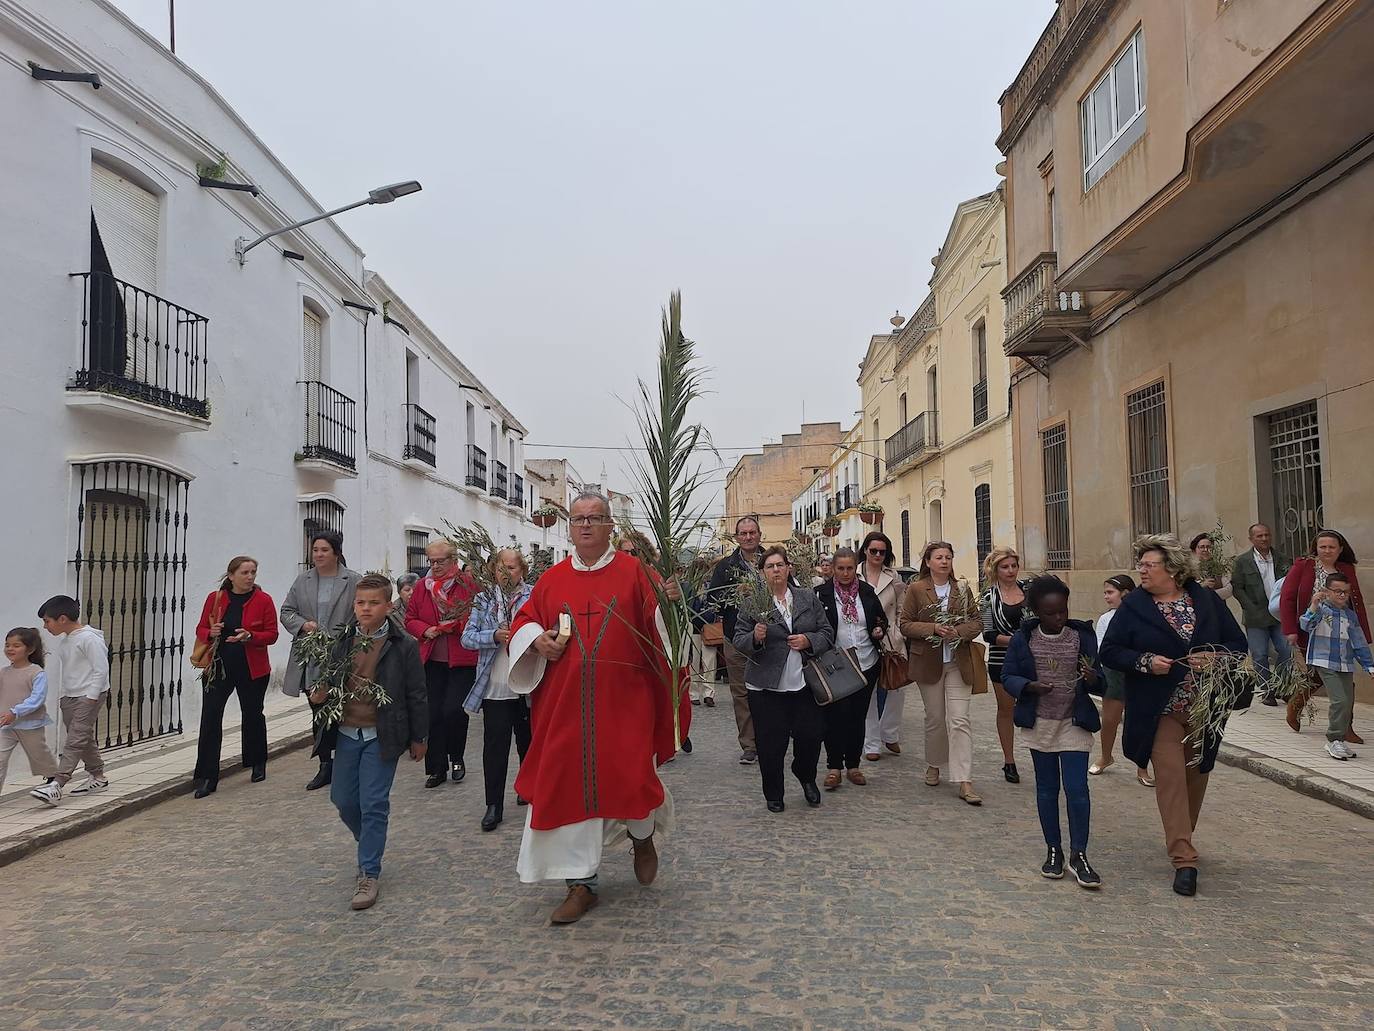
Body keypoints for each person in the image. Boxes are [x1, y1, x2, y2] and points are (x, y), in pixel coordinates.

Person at [507, 492, 681, 926]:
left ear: (609, 527)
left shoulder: (636, 573)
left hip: (626, 704)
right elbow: (524, 619)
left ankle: (642, 838)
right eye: (578, 519)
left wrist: (673, 603)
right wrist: (536, 640)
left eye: (595, 519)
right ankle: (580, 884)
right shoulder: (551, 580)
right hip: (565, 709)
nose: (585, 526)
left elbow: (664, 631)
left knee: (631, 778)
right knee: (570, 787)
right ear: (569, 527)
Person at [1100, 534, 1247, 897]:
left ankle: (1183, 833)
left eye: (1150, 565)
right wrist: (1145, 662)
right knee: (1170, 777)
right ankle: (1184, 859)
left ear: (1174, 570)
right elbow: (1110, 651)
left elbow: (1237, 643)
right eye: (1142, 565)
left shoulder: (1207, 600)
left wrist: (1216, 656)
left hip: (1204, 706)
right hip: (1159, 709)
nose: (1142, 571)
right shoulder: (1134, 605)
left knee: (1196, 774)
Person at [311, 573, 427, 911]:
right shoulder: (342, 642)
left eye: (373, 603)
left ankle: (369, 872)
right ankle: (369, 843)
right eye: (360, 603)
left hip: (382, 734)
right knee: (344, 799)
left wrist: (419, 736)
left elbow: (417, 694)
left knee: (373, 803)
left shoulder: (403, 645)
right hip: (347, 733)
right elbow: (329, 679)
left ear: (388, 606)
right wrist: (320, 693)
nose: (365, 608)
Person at [1000, 576, 1103, 889]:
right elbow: (1008, 676)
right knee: (1047, 789)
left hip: (1074, 721)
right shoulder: (1024, 639)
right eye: (1051, 613)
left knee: (1077, 789)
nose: (1059, 617)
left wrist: (1091, 678)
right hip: (1040, 722)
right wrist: (1028, 687)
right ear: (1037, 613)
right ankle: (1054, 849)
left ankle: (1079, 854)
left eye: (1063, 611)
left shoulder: (1081, 637)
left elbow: (1101, 682)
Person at [734, 545, 834, 812]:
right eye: (770, 566)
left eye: (780, 565)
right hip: (766, 686)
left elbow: (826, 632)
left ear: (788, 568)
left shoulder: (806, 597)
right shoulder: (754, 602)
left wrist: (808, 640)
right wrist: (755, 637)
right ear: (762, 573)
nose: (776, 570)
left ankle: (805, 775)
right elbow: (738, 640)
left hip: (803, 683)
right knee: (770, 744)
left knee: (811, 736)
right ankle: (774, 793)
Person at [899, 542, 985, 805]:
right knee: (935, 718)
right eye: (939, 557)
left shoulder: (962, 589)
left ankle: (964, 780)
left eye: (948, 557)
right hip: (928, 663)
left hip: (959, 662)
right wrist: (933, 629)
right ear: (928, 562)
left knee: (960, 720)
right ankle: (935, 763)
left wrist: (958, 632)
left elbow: (977, 621)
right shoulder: (916, 589)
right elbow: (905, 625)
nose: (944, 562)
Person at [190, 556, 280, 798]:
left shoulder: (263, 600)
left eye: (253, 572)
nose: (250, 577)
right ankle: (208, 776)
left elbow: (272, 634)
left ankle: (257, 762)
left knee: (252, 715)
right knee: (210, 718)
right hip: (218, 667)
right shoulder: (216, 598)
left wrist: (250, 636)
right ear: (231, 576)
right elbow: (200, 629)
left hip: (252, 668)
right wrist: (211, 632)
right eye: (245, 572)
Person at [280, 530, 362, 791]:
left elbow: (363, 613)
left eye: (324, 550)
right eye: (315, 550)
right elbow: (286, 611)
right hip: (312, 657)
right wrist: (304, 625)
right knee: (319, 711)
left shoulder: (353, 581)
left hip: (343, 656)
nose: (318, 554)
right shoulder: (302, 581)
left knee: (343, 711)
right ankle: (325, 764)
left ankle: (346, 763)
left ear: (336, 552)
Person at [461, 548, 535, 832]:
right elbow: (467, 638)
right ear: (494, 571)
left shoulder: (534, 596)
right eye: (502, 569)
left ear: (522, 571)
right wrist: (494, 636)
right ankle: (494, 804)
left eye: (513, 568)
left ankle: (527, 788)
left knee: (528, 742)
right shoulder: (484, 599)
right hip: (495, 687)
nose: (507, 574)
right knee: (494, 748)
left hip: (527, 684)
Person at [1280, 529, 1368, 740]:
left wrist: (1362, 633)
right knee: (1317, 675)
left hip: (1342, 630)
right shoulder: (1304, 565)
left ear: (1340, 549)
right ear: (1316, 548)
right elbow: (1288, 598)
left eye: (1331, 547)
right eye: (1323, 547)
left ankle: (1346, 727)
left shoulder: (1346, 568)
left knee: (1344, 675)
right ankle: (1297, 704)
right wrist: (1290, 630)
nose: (1327, 551)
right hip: (1311, 628)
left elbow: (1356, 600)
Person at [405, 538, 480, 788]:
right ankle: (436, 768)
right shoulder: (422, 588)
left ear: (453, 560)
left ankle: (457, 757)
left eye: (440, 561)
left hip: (461, 658)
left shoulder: (467, 584)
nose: (435, 566)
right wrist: (426, 630)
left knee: (453, 710)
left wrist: (453, 625)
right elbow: (410, 618)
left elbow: (476, 615)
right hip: (431, 658)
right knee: (432, 712)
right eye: (431, 561)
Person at [814, 548, 885, 789]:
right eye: (841, 568)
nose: (845, 573)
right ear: (833, 569)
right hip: (837, 665)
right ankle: (834, 767)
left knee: (857, 716)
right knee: (835, 717)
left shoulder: (866, 592)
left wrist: (879, 630)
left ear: (856, 568)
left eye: (850, 568)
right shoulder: (821, 594)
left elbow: (879, 618)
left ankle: (853, 765)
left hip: (866, 661)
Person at [29, 596, 109, 806]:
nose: (45, 626)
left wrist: (91, 697)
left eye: (48, 621)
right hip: (70, 696)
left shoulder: (89, 639)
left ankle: (57, 784)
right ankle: (98, 776)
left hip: (89, 696)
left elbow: (101, 670)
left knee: (75, 739)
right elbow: (70, 671)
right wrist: (64, 696)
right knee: (83, 737)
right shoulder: (66, 640)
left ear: (62, 618)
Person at [707, 515, 765, 764]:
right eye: (743, 533)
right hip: (736, 638)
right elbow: (713, 600)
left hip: (770, 637)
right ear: (737, 537)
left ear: (759, 535)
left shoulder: (773, 560)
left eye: (752, 532)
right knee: (741, 693)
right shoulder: (725, 566)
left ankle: (770, 738)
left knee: (770, 691)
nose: (748, 537)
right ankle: (749, 745)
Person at [1299, 571, 1374, 760]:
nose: (1342, 595)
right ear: (1327, 591)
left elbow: (1359, 642)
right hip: (1324, 660)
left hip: (1345, 663)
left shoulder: (1350, 615)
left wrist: (1369, 665)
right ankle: (1333, 740)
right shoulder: (1321, 610)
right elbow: (1305, 625)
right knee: (1339, 700)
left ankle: (1340, 739)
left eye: (1345, 592)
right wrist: (1314, 605)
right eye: (1337, 591)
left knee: (1347, 702)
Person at [1090, 575, 1154, 786]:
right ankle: (1106, 756)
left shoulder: (1143, 615)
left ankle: (1142, 766)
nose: (1106, 597)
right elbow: (1101, 648)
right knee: (1110, 720)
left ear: (1126, 594)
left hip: (1139, 672)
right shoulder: (1106, 619)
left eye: (1111, 592)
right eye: (1105, 592)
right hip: (1114, 673)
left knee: (1140, 722)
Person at [980, 546, 1028, 784]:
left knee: (1035, 709)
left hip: (1031, 660)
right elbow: (988, 633)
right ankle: (1009, 760)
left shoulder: (1030, 592)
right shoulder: (989, 597)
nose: (1010, 571)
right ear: (995, 569)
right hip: (1002, 659)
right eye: (1005, 567)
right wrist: (1016, 641)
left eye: (1013, 566)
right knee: (1006, 710)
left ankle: (1041, 755)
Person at [1230, 523, 1292, 706]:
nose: (1264, 539)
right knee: (1259, 654)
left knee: (1286, 651)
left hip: (1279, 614)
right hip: (1255, 616)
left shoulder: (1282, 558)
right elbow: (1238, 588)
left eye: (1267, 535)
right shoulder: (1242, 561)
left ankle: (1282, 685)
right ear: (1251, 539)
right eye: (1259, 536)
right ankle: (1266, 689)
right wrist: (1249, 606)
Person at [858, 531, 907, 762]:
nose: (877, 555)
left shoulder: (893, 577)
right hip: (863, 640)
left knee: (896, 689)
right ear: (865, 550)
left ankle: (890, 733)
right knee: (868, 693)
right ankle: (872, 743)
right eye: (873, 550)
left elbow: (901, 608)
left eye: (882, 551)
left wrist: (897, 631)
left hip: (890, 640)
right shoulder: (855, 574)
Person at [0, 628, 58, 795]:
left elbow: (37, 699)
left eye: (16, 645)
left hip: (30, 725)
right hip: (6, 725)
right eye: (7, 645)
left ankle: (54, 779)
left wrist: (15, 712)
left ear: (30, 649)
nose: (10, 649)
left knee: (39, 755)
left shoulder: (36, 673)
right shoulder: (3, 672)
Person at [1189, 533, 1233, 600]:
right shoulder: (1189, 569)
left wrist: (1210, 595)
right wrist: (1202, 586)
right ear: (1194, 550)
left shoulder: (1218, 567)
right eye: (1202, 547)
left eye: (1209, 547)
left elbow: (1229, 589)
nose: (1206, 550)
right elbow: (1186, 592)